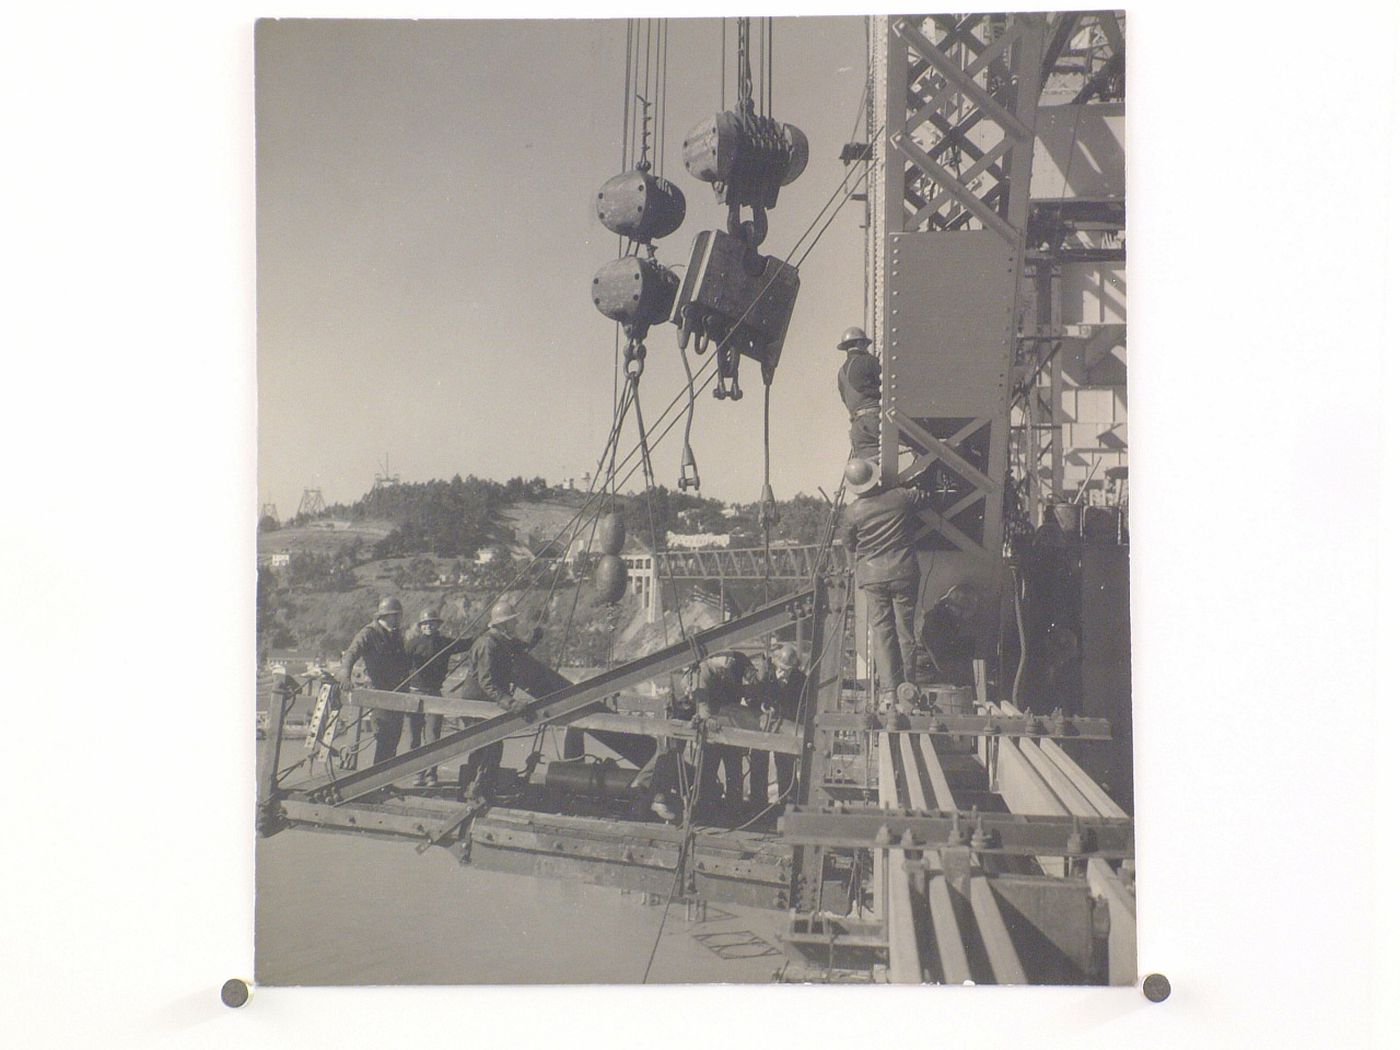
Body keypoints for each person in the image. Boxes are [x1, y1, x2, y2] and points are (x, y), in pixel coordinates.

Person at [840, 458, 936, 702]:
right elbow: (927, 497)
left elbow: (849, 544)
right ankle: (909, 686)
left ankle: (889, 691)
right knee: (906, 631)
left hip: (872, 577)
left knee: (883, 632)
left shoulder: (852, 511)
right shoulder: (901, 497)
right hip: (903, 572)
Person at [457, 598, 541, 798]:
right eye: (513, 621)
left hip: (487, 702)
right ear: (503, 624)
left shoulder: (501, 641)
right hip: (477, 703)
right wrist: (510, 703)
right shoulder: (488, 644)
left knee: (490, 746)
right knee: (487, 747)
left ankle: (478, 788)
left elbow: (519, 647)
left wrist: (534, 640)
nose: (516, 624)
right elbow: (487, 682)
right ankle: (475, 790)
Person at [403, 606, 474, 787]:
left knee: (433, 737)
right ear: (421, 625)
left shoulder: (445, 643)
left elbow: (466, 643)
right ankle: (417, 773)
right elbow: (399, 663)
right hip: (414, 694)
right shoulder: (412, 644)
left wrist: (487, 629)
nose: (429, 626)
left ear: (437, 624)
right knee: (414, 739)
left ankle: (431, 774)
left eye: (432, 623)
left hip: (434, 694)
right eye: (425, 624)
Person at [340, 596, 413, 765]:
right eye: (395, 615)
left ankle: (385, 781)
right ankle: (378, 779)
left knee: (394, 739)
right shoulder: (369, 633)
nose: (398, 618)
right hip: (379, 694)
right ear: (385, 616)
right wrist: (345, 675)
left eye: (399, 615)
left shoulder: (396, 636)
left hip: (398, 692)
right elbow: (351, 653)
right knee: (384, 737)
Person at [686, 649, 757, 808]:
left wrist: (753, 687)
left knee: (734, 770)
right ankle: (704, 806)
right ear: (713, 658)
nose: (725, 671)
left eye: (728, 667)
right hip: (714, 725)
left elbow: (753, 680)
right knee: (708, 769)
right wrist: (708, 718)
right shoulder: (703, 671)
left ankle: (734, 807)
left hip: (733, 722)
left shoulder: (738, 660)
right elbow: (702, 703)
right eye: (722, 670)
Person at [745, 642, 807, 804]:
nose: (782, 674)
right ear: (775, 664)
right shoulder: (766, 673)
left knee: (786, 764)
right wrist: (761, 704)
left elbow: (803, 706)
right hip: (764, 725)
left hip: (785, 725)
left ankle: (789, 803)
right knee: (758, 761)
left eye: (787, 671)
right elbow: (750, 696)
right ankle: (757, 803)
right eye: (780, 669)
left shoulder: (800, 680)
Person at [836, 326, 881, 460]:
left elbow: (845, 399)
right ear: (859, 343)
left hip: (858, 428)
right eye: (865, 344)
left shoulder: (841, 373)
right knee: (919, 442)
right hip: (875, 421)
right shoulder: (868, 361)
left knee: (870, 469)